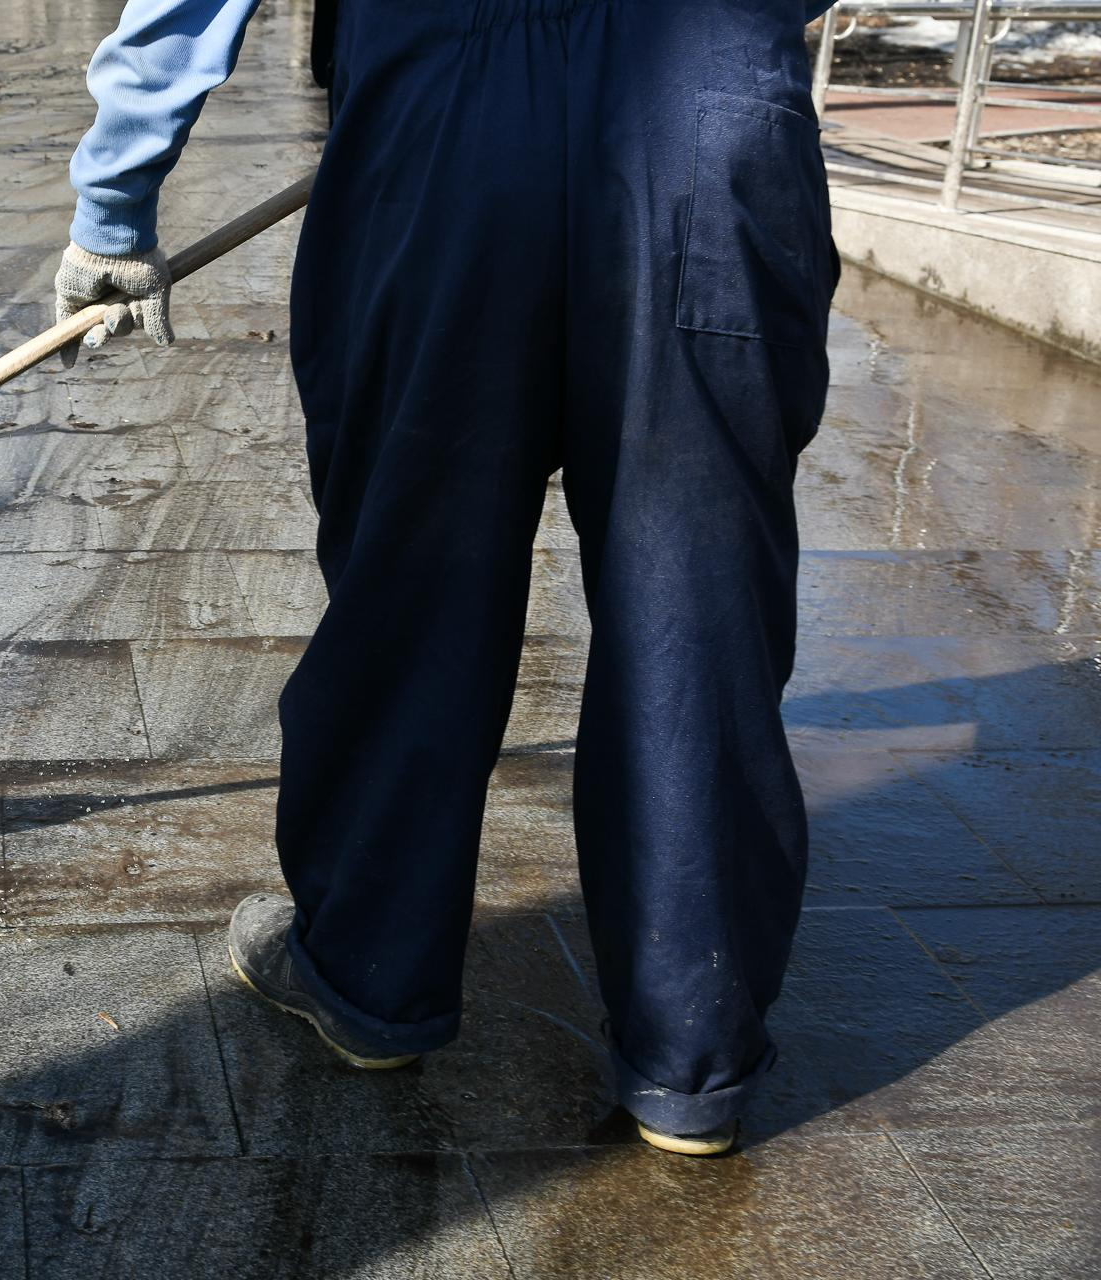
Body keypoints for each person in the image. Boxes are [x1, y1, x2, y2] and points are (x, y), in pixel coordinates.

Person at [55, 0, 840, 1156]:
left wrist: (117, 197)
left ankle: (371, 971)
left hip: (446, 111)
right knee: (697, 599)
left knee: (413, 578)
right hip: (709, 101)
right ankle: (690, 1050)